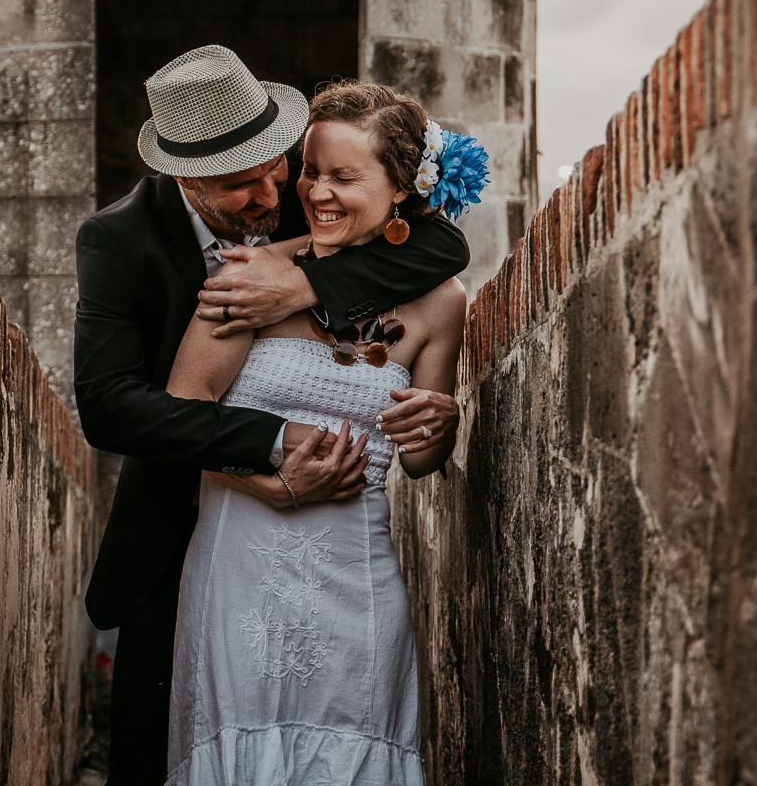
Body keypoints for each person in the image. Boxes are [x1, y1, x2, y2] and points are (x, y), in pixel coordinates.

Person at [74, 47, 470, 786]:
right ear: (185, 177)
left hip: (351, 562)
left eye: (277, 168)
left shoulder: (304, 193)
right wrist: (266, 456)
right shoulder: (117, 239)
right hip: (188, 527)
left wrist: (298, 284)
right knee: (160, 753)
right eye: (239, 186)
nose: (273, 193)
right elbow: (111, 406)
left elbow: (436, 243)